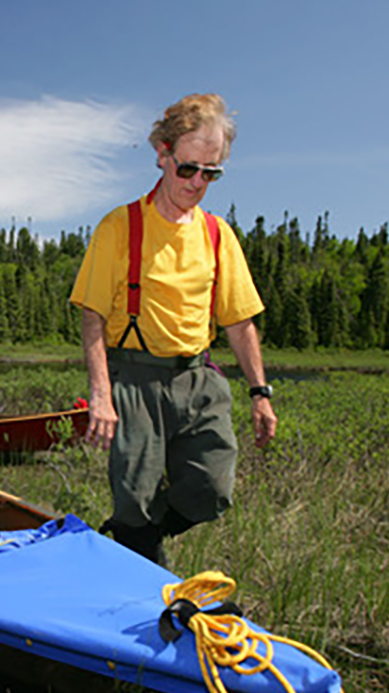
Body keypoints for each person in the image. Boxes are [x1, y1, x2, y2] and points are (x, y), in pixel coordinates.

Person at [69, 92, 277, 565]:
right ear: (163, 155)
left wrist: (260, 392)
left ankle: (133, 535)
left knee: (212, 490)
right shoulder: (120, 227)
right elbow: (92, 315)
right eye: (188, 168)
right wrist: (100, 393)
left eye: (211, 172)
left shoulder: (217, 234)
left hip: (197, 378)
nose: (198, 182)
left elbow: (239, 320)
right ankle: (140, 563)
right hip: (136, 379)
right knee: (134, 499)